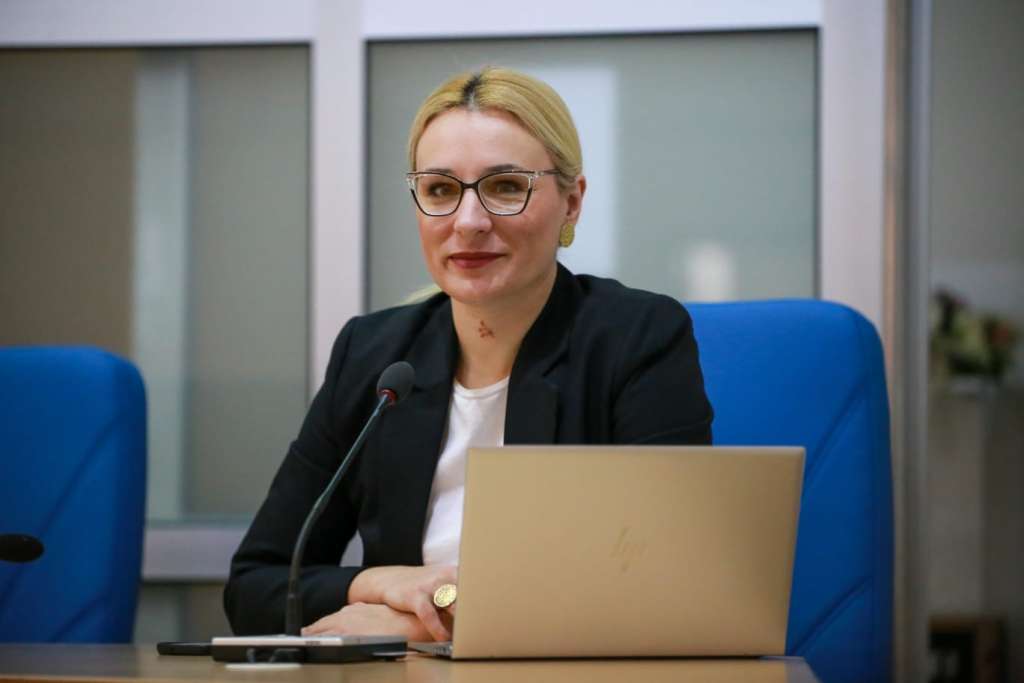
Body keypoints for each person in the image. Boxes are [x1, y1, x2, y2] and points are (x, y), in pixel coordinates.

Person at [223, 67, 713, 641]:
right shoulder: (375, 357)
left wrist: (427, 624)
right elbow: (255, 586)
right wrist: (380, 584)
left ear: (572, 203)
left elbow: (667, 584)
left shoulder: (636, 338)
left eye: (505, 186)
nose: (468, 221)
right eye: (440, 190)